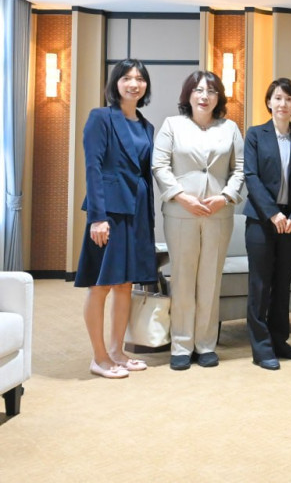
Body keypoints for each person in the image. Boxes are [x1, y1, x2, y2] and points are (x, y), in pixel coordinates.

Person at [152, 70, 244, 371]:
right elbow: (159, 165)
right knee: (182, 278)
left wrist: (225, 196)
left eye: (211, 91)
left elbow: (240, 169)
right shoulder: (172, 125)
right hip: (181, 213)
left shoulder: (230, 128)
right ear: (188, 95)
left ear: (219, 97)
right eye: (199, 90)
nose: (205, 96)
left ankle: (205, 344)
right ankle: (181, 345)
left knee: (210, 280)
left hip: (218, 214)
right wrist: (181, 196)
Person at [75, 59, 158, 379]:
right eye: (126, 78)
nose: (134, 84)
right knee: (101, 285)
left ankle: (116, 351)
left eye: (140, 79)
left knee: (125, 285)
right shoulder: (101, 117)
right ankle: (99, 358)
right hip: (108, 212)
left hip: (137, 211)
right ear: (116, 83)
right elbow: (93, 167)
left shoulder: (146, 126)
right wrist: (97, 217)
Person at [242, 78, 291, 371]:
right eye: (278, 98)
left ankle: (279, 341)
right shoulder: (255, 135)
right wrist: (273, 214)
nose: (283, 103)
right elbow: (251, 176)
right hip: (262, 219)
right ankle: (261, 349)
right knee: (260, 284)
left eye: (289, 99)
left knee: (283, 283)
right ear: (269, 102)